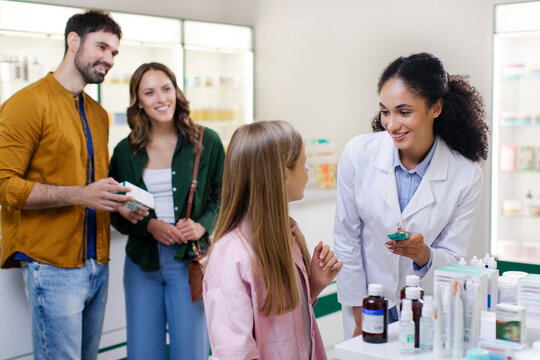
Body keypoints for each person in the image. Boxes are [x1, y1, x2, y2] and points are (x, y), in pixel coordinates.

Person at [0, 9, 144, 360]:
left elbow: (92, 185)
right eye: (102, 47)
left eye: (114, 52)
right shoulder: (26, 104)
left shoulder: (98, 114)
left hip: (97, 262)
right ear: (73, 41)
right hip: (51, 266)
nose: (108, 59)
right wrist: (83, 195)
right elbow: (4, 186)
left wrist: (117, 201)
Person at [334, 52, 489, 339]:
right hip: (369, 303)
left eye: (404, 112)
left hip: (425, 309)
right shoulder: (358, 154)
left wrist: (424, 254)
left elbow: (454, 256)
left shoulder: (465, 175)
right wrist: (360, 314)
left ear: (436, 108)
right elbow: (346, 240)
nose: (392, 124)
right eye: (385, 111)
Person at [108, 62, 225, 360]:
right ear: (139, 103)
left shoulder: (206, 141)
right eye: (149, 93)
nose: (161, 98)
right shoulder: (124, 151)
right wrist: (150, 225)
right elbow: (115, 212)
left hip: (188, 263)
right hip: (141, 264)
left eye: (166, 89)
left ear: (177, 92)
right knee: (143, 352)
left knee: (191, 351)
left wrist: (202, 225)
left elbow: (225, 194)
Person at [203, 120, 343, 359]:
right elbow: (235, 353)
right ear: (282, 174)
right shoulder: (231, 257)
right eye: (303, 163)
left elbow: (281, 322)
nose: (308, 170)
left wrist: (314, 284)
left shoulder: (288, 236)